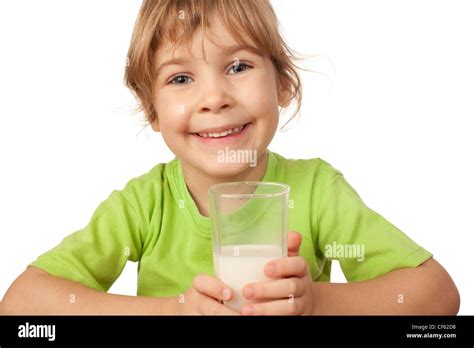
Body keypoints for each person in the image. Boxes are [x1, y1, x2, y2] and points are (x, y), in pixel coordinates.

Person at [1, 0, 459, 315]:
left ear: (283, 84)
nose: (214, 97)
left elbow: (437, 294)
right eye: (180, 79)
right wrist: (176, 310)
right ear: (151, 110)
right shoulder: (143, 205)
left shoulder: (317, 192)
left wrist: (318, 303)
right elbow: (21, 304)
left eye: (238, 67)